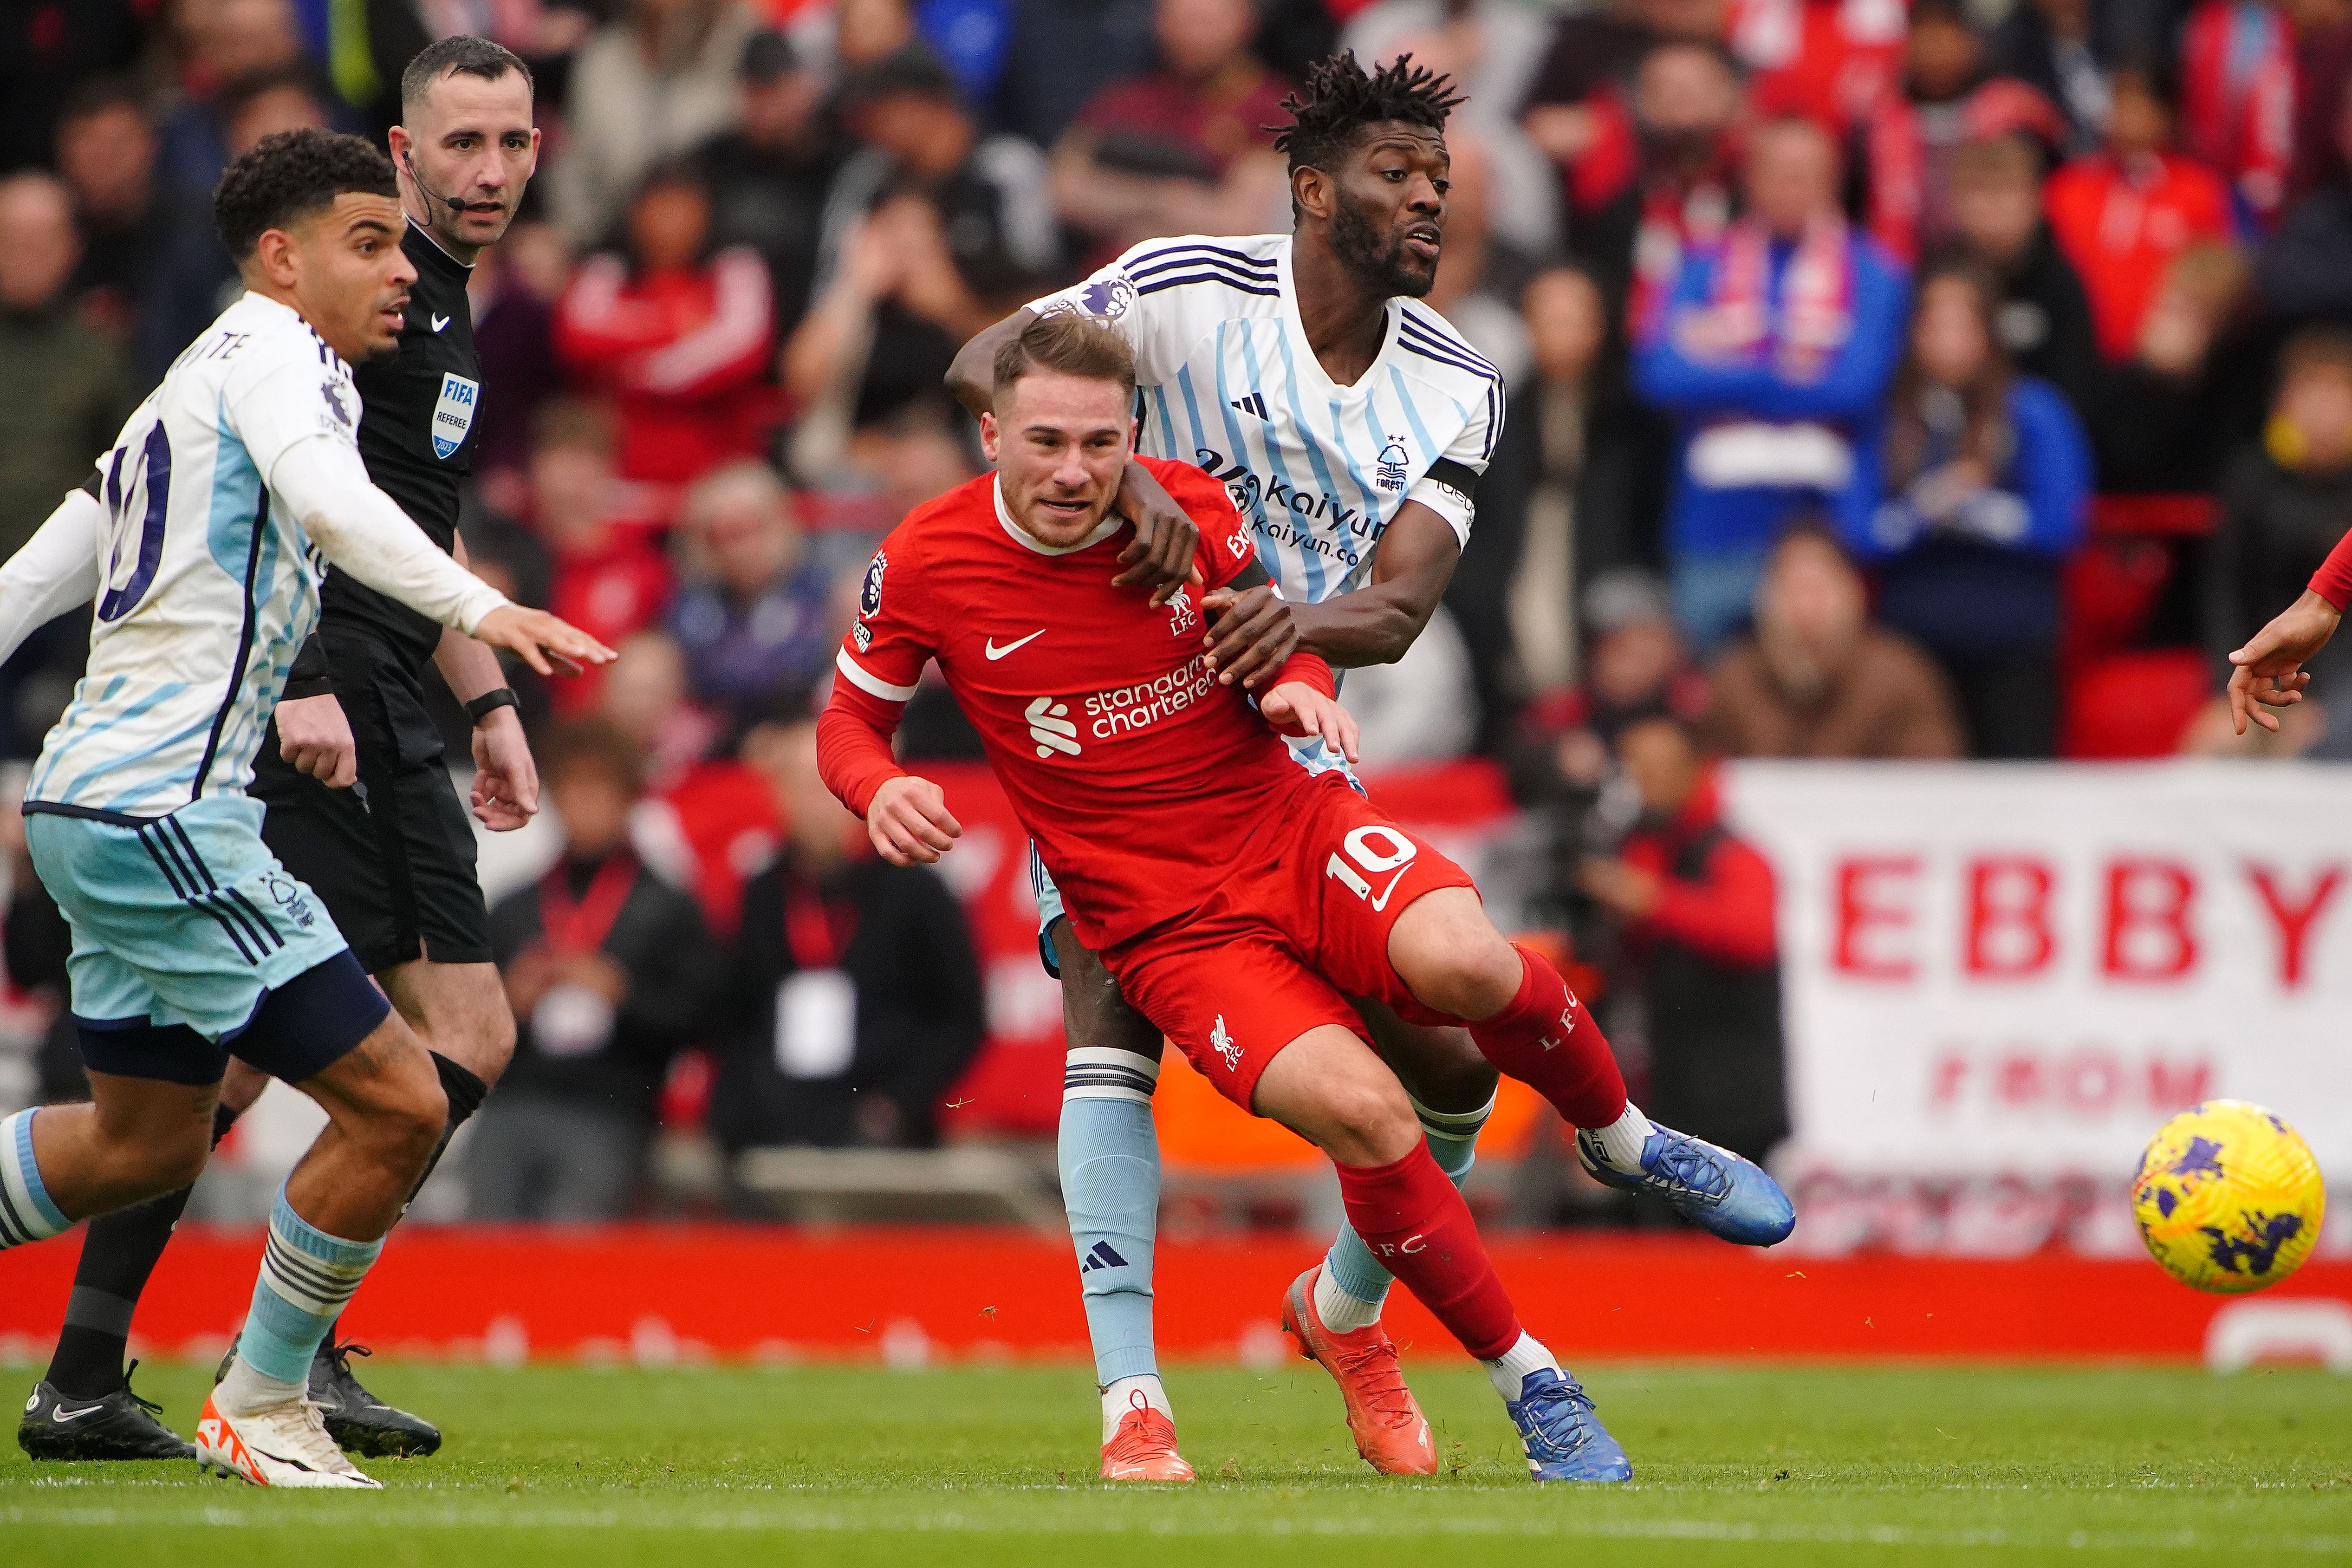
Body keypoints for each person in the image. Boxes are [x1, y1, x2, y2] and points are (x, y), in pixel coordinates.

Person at [945, 52, 1751, 1483]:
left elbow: (1392, 612)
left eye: (1438, 181)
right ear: (1312, 191)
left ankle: (1343, 1310)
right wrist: (1120, 479)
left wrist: (1271, 620)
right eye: (1397, 175)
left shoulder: (1457, 381)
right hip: (1115, 741)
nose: (1427, 201)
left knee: (1443, 1048)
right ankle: (1134, 1403)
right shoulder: (1181, 287)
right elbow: (979, 370)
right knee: (1106, 1020)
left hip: (1286, 734)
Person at [820, 314, 1792, 1486]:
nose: (1073, 470)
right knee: (1364, 1113)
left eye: (1097, 441)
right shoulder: (924, 560)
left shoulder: (1194, 506)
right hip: (1157, 913)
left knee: (1473, 970)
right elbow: (847, 721)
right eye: (1044, 443)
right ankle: (1527, 1378)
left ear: (1131, 432)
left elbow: (1283, 634)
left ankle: (1622, 1137)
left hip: (1288, 822)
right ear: (989, 436)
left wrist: (1291, 686)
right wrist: (878, 789)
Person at [0, 127, 606, 1488]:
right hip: (171, 816)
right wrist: (482, 607)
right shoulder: (285, 364)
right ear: (282, 259)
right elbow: (336, 505)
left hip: (83, 809)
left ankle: (158, 1382)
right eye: (370, 240)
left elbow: (43, 566)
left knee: (135, 1141)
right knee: (400, 1102)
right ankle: (266, 1399)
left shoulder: (189, 380)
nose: (405, 269)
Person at [1633, 114, 1912, 649]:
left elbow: (1855, 387)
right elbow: (1660, 375)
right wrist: (1786, 368)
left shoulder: (1875, 274)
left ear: (1832, 181)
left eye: (1806, 173)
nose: (1790, 187)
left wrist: (1724, 363)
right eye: (1777, 172)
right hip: (1713, 531)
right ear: (1750, 180)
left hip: (1826, 529)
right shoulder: (1698, 267)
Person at [1848, 255, 2091, 759]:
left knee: (2014, 794)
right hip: (1912, 645)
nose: (1949, 339)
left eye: (1964, 322)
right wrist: (1922, 510)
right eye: (1934, 323)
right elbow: (1856, 530)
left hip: (2012, 640)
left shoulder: (2032, 411)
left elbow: (2063, 523)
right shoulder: (1890, 419)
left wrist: (1983, 510)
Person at [710, 711, 986, 1152]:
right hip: (774, 1115)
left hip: (879, 1117)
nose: (817, 803)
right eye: (801, 786)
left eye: (829, 788)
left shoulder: (916, 890)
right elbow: (732, 1014)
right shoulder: (761, 893)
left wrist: (899, 1101)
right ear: (777, 794)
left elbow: (959, 1016)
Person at [472, 720, 713, 1220]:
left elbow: (702, 1017)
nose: (586, 804)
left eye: (601, 788)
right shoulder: (517, 906)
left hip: (611, 1105)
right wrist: (509, 1003)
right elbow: (466, 1022)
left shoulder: (669, 908)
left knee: (574, 1253)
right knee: (487, 1248)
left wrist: (623, 996)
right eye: (574, 787)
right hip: (515, 1098)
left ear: (629, 798)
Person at [1575, 714, 1787, 1166]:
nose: (1643, 784)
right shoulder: (1641, 846)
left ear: (1694, 769)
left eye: (1656, 770)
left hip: (1730, 1098)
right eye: (1634, 770)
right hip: (1664, 1089)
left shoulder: (1731, 854)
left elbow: (1751, 933)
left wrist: (1651, 901)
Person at [554, 159, 777, 491]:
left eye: (683, 209)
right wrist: (675, 326)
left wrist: (639, 368)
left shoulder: (737, 270)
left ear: (706, 214)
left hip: (717, 473)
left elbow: (745, 351)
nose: (670, 223)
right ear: (636, 213)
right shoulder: (604, 270)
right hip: (618, 470)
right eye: (660, 208)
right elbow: (576, 337)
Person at [1053, 0, 1294, 265]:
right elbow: (1065, 192)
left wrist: (1117, 208)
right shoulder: (1123, 101)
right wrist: (1169, 201)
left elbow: (1237, 224)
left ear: (1245, 24)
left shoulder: (1273, 112)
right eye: (1179, 20)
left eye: (1205, 22)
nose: (1190, 34)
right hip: (1103, 284)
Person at [1702, 523, 1967, 758]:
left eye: (1819, 588)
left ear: (1855, 593)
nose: (1806, 606)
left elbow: (1935, 788)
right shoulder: (1732, 680)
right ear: (1764, 599)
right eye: (1792, 587)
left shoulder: (1901, 677)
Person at [2207, 327, 2352, 748]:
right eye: (2311, 392)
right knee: (2217, 741)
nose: (2323, 409)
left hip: (2335, 692)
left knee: (2322, 744)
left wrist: (2321, 700)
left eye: (2336, 394)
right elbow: (2227, 596)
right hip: (2259, 679)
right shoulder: (2252, 479)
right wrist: (2227, 681)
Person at [2044, 60, 2232, 364]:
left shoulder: (2199, 191)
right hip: (2075, 355)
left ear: (2167, 113)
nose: (2128, 114)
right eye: (2119, 100)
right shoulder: (2068, 189)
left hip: (2161, 361)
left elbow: (2211, 278)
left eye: (2141, 103)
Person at [665, 460, 836, 725]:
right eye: (722, 535)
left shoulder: (818, 591)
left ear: (781, 524)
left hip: (801, 727)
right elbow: (697, 676)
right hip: (716, 733)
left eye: (749, 531)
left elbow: (798, 672)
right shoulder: (694, 602)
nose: (739, 551)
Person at [1947, 132, 2102, 410]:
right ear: (1957, 203)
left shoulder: (2061, 284)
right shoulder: (1941, 279)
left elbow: (2076, 393)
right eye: (1981, 191)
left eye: (2007, 191)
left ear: (2037, 201)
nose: (1994, 208)